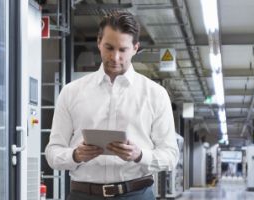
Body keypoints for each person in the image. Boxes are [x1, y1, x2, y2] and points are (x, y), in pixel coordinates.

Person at [45, 12, 179, 200]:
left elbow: (170, 155)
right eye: (109, 47)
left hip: (136, 194)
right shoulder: (71, 92)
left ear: (135, 48)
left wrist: (140, 155)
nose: (115, 57)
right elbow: (52, 153)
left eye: (123, 50)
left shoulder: (155, 95)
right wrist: (76, 155)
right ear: (99, 42)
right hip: (83, 195)